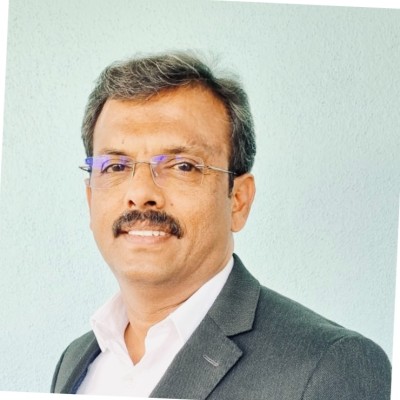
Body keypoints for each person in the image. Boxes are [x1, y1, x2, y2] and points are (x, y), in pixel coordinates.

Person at [51, 52, 391, 399]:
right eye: (115, 167)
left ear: (238, 200)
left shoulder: (328, 365)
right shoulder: (76, 360)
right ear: (90, 198)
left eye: (182, 166)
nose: (140, 194)